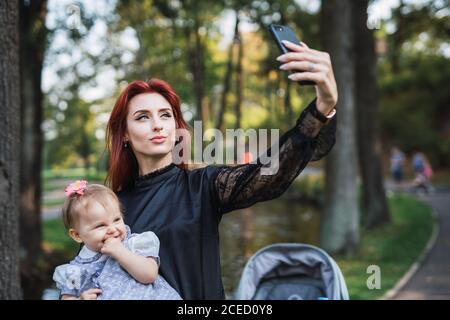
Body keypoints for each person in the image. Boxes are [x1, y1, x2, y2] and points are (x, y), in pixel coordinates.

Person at [102, 40, 338, 299]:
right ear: (124, 133)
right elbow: (94, 272)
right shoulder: (114, 206)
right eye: (142, 117)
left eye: (165, 115)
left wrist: (322, 108)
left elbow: (269, 173)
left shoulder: (202, 185)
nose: (157, 125)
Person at [52, 180, 181, 300]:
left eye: (117, 219)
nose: (112, 229)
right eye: (100, 225)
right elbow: (67, 297)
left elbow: (149, 274)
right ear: (77, 235)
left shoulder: (133, 244)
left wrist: (119, 251)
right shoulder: (75, 269)